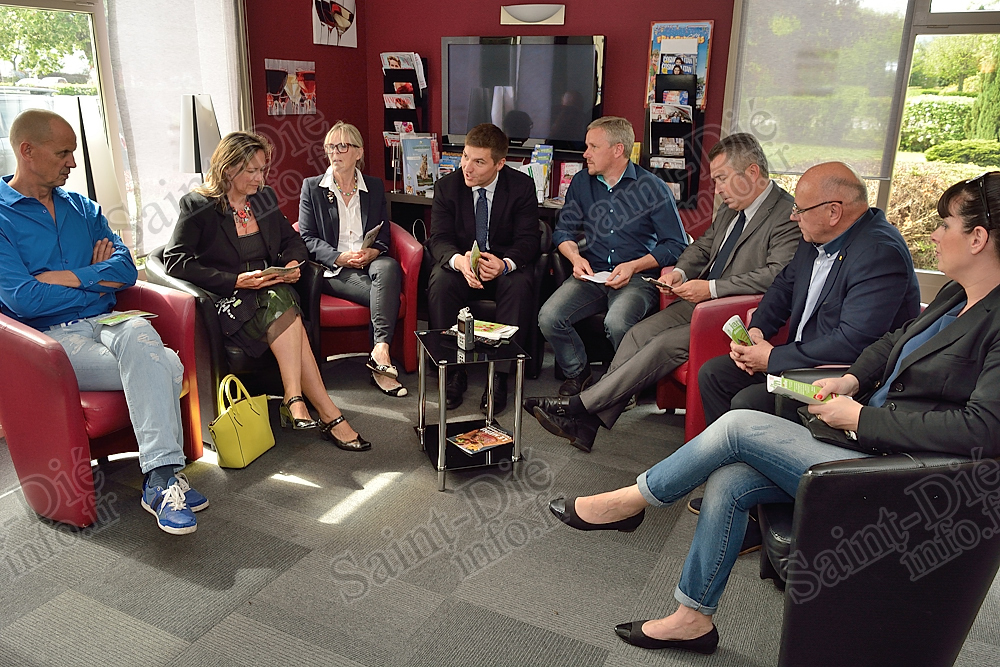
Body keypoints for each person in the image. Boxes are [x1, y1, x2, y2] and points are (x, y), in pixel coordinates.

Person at [547, 172, 1000, 655]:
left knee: (738, 426)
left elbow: (984, 430)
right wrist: (849, 381)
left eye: (944, 224)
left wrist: (860, 419)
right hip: (867, 436)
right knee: (731, 479)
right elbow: (890, 343)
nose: (933, 234)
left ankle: (630, 502)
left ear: (977, 238)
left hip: (904, 471)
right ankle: (692, 618)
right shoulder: (955, 295)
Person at [0, 109, 207, 535]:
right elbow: (24, 298)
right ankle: (165, 477)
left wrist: (68, 277)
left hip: (111, 319)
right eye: (63, 153)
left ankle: (160, 479)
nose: (73, 163)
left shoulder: (82, 207)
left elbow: (126, 270)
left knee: (140, 333)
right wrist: (97, 282)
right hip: (50, 343)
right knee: (165, 364)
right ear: (27, 151)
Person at [524, 133, 800, 453]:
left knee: (662, 345)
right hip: (700, 302)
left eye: (722, 179)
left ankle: (579, 407)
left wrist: (711, 288)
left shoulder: (786, 214)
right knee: (637, 334)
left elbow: (775, 276)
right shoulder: (732, 206)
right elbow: (703, 247)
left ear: (752, 172)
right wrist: (680, 272)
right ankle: (587, 426)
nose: (718, 189)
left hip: (732, 313)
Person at [163, 131, 371, 452]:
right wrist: (235, 280)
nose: (260, 178)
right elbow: (175, 261)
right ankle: (321, 410)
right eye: (252, 171)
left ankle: (300, 400)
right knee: (287, 307)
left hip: (269, 290)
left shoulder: (263, 198)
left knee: (280, 297)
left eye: (262, 170)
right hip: (229, 299)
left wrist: (291, 263)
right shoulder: (198, 206)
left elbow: (293, 241)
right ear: (228, 169)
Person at [698, 161, 921, 426]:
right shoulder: (815, 235)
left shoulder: (880, 253)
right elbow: (784, 286)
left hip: (839, 376)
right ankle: (726, 450)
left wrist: (772, 359)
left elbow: (852, 342)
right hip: (799, 360)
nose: (793, 217)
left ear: (833, 212)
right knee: (713, 374)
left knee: (749, 402)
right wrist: (758, 330)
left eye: (799, 210)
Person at [539, 116, 688, 396]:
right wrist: (575, 258)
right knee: (549, 317)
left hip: (637, 278)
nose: (585, 154)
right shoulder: (581, 182)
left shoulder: (653, 188)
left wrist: (633, 266)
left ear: (618, 150)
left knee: (617, 323)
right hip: (592, 274)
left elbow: (676, 244)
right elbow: (563, 231)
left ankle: (624, 386)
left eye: (593, 147)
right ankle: (578, 373)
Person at [426, 123, 541, 414]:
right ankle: (453, 372)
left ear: (499, 164)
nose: (467, 167)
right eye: (465, 157)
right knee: (440, 281)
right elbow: (438, 239)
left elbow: (529, 240)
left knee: (519, 284)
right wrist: (459, 261)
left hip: (502, 266)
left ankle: (499, 377)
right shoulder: (447, 186)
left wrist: (505, 264)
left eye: (478, 162)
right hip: (463, 264)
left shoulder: (521, 187)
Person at [298, 121, 405, 397]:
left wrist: (374, 251)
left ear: (358, 152)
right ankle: (381, 362)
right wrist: (339, 257)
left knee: (389, 266)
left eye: (342, 146)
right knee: (382, 296)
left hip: (369, 260)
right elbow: (307, 238)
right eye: (330, 146)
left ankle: (379, 351)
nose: (335, 152)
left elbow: (384, 231)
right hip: (333, 268)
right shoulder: (313, 187)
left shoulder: (374, 186)